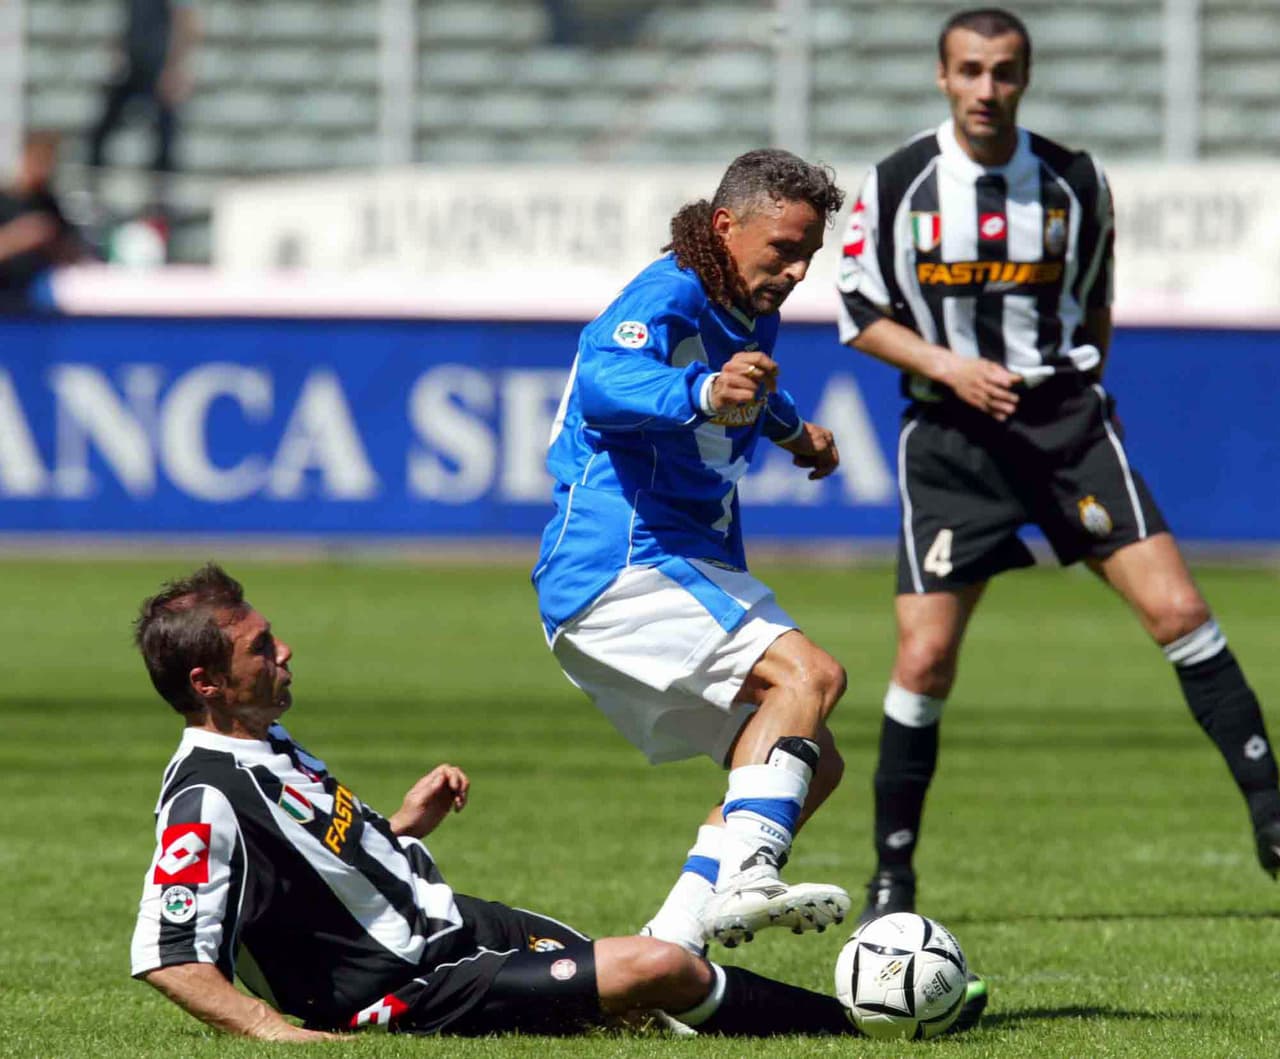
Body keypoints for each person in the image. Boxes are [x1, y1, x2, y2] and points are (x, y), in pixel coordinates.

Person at [128, 563, 987, 1039]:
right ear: (206, 681)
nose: (285, 650)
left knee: (664, 960)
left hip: (458, 924)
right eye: (259, 645)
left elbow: (313, 881)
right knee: (658, 970)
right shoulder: (206, 793)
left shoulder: (262, 741)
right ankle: (871, 1021)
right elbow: (171, 956)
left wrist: (398, 826)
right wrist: (285, 1037)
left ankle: (887, 993)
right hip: (412, 990)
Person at [836, 7, 1280, 925]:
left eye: (1003, 72)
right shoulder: (895, 183)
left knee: (1181, 610)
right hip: (951, 438)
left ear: (1024, 77)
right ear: (942, 76)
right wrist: (949, 366)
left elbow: (1096, 307)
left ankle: (1274, 822)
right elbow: (858, 310)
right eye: (969, 71)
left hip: (1066, 426)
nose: (986, 90)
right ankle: (894, 879)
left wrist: (1066, 397)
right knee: (924, 657)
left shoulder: (1075, 181)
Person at [533, 150, 853, 956]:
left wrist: (792, 430)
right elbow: (606, 379)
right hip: (625, 564)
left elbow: (748, 381)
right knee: (809, 676)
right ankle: (748, 877)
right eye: (783, 248)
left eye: (809, 253)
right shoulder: (669, 289)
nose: (796, 269)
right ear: (724, 225)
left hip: (665, 565)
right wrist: (703, 393)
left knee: (806, 759)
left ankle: (669, 949)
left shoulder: (745, 304)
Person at [87, 0, 201, 212]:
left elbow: (186, 20)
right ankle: (93, 188)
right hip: (132, 66)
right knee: (101, 130)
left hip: (159, 66)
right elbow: (127, 23)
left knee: (165, 134)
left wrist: (175, 67)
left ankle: (162, 198)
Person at [0, 132, 88, 312]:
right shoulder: (3, 201)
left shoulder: (48, 204)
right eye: (37, 161)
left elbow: (69, 253)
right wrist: (19, 236)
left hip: (36, 291)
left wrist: (51, 242)